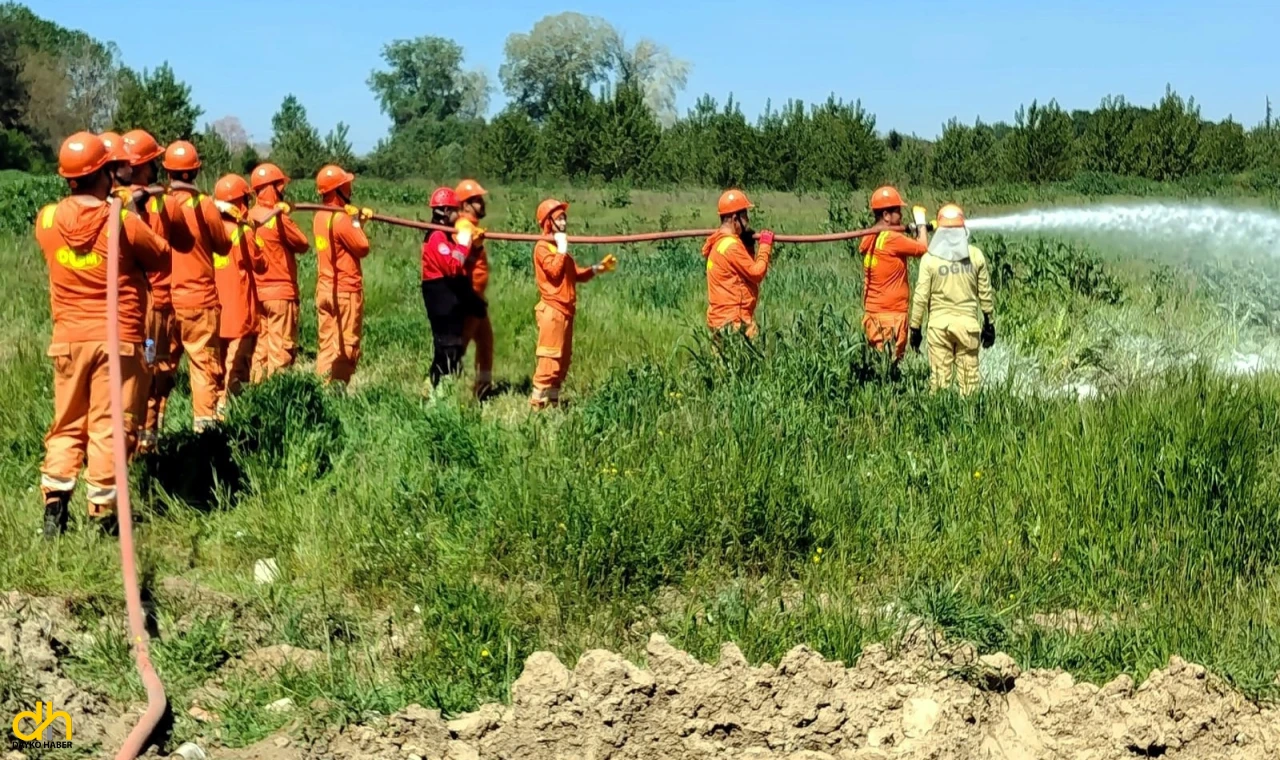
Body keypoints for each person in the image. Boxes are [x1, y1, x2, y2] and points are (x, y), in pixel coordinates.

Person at [35, 132, 171, 537]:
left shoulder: (47, 219)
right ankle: (103, 516)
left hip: (68, 339)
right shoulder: (121, 221)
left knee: (67, 423)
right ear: (105, 174)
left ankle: (55, 505)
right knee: (109, 425)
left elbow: (65, 237)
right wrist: (132, 211)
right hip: (118, 341)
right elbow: (161, 255)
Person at [123, 129, 188, 451]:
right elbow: (183, 244)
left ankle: (130, 444)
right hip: (157, 306)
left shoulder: (108, 203)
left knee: (130, 375)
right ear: (146, 164)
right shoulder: (164, 202)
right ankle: (146, 443)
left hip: (122, 308)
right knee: (156, 372)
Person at [164, 140, 232, 431]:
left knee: (157, 366)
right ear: (195, 172)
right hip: (199, 304)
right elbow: (223, 245)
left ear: (167, 173)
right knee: (204, 366)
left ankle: (147, 438)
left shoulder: (158, 204)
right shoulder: (203, 205)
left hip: (162, 306)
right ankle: (205, 437)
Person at [529, 199, 616, 409]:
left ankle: (553, 405)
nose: (564, 222)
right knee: (549, 361)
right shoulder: (543, 248)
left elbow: (574, 274)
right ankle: (536, 408)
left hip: (566, 312)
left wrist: (598, 268)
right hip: (552, 310)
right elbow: (554, 271)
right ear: (548, 222)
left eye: (565, 217)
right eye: (559, 218)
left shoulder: (558, 248)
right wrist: (561, 248)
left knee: (562, 362)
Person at [909, 204, 995, 395]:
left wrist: (915, 328)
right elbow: (985, 293)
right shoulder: (975, 255)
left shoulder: (929, 259)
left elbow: (921, 296)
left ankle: (938, 420)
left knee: (938, 383)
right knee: (970, 385)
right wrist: (989, 322)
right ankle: (971, 420)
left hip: (938, 329)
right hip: (968, 328)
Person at [247, 163, 309, 381]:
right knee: (281, 347)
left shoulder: (248, 216)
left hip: (257, 294)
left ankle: (257, 391)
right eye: (280, 187)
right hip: (281, 293)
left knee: (260, 348)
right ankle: (278, 394)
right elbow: (302, 243)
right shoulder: (278, 218)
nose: (283, 191)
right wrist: (285, 217)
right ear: (272, 188)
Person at [312, 164, 373, 385]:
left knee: (327, 343)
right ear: (338, 190)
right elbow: (362, 246)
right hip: (345, 292)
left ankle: (320, 389)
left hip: (325, 290)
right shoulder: (341, 219)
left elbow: (346, 240)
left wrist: (357, 221)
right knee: (347, 343)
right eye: (346, 185)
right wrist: (356, 220)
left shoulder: (320, 216)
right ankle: (336, 390)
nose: (350, 189)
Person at [858, 186, 929, 365]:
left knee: (877, 363)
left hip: (873, 314)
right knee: (890, 366)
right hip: (891, 316)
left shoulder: (869, 236)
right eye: (898, 211)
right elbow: (922, 249)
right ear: (886, 216)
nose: (901, 216)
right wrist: (921, 224)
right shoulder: (892, 238)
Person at [421, 187, 483, 386]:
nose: (459, 215)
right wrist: (464, 241)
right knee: (446, 346)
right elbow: (453, 266)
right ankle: (435, 388)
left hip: (449, 293)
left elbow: (462, 261)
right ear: (446, 211)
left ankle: (443, 387)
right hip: (439, 294)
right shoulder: (437, 236)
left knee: (454, 345)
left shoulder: (446, 235)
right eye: (456, 210)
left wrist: (476, 246)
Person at [213, 174, 266, 405]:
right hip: (241, 312)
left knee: (217, 363)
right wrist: (255, 234)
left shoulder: (210, 230)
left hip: (216, 310)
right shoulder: (243, 233)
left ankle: (214, 407)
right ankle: (231, 409)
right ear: (240, 202)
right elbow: (260, 264)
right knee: (239, 365)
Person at [703, 189, 775, 337]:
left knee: (721, 360)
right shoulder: (732, 246)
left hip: (718, 321)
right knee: (749, 358)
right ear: (735, 218)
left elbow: (740, 270)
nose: (748, 221)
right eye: (745, 216)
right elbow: (756, 273)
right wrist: (765, 246)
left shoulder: (719, 244)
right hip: (735, 322)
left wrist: (748, 246)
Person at [454, 179, 495, 398]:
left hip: (477, 297)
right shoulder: (464, 226)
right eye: (477, 200)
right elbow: (459, 253)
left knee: (486, 343)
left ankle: (483, 390)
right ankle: (439, 387)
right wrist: (470, 238)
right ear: (466, 204)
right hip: (469, 298)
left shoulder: (471, 226)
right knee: (458, 346)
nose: (482, 203)